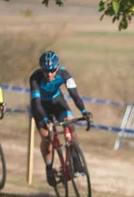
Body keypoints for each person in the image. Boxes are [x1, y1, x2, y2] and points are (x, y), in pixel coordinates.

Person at [29, 50, 91, 186]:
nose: (49, 74)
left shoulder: (64, 74)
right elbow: (36, 103)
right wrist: (45, 120)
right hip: (40, 107)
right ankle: (49, 168)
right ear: (41, 69)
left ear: (57, 68)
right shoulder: (35, 77)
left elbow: (74, 95)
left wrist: (84, 111)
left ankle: (75, 158)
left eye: (52, 70)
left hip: (57, 102)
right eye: (46, 71)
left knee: (70, 124)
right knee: (47, 138)